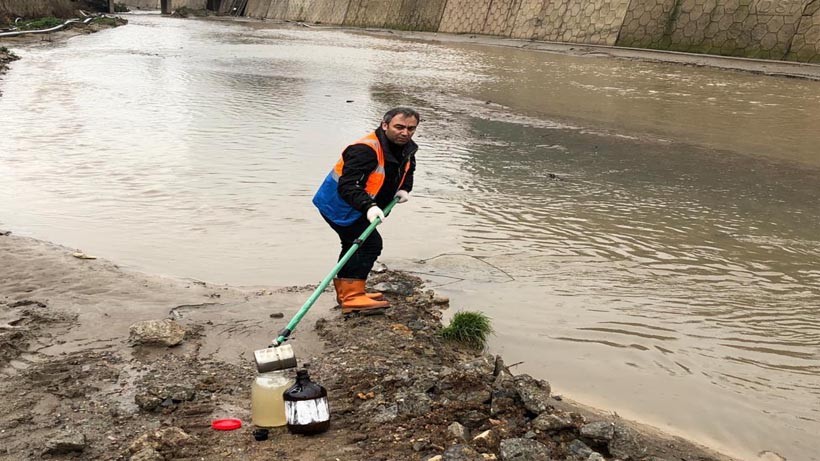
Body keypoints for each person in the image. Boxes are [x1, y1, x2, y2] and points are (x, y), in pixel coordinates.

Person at [312, 107, 420, 315]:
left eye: (410, 129)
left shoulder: (407, 148)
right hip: (342, 206)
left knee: (353, 245)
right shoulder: (365, 150)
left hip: (361, 206)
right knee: (370, 245)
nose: (405, 133)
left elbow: (408, 169)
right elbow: (348, 185)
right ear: (385, 125)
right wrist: (368, 206)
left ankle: (350, 293)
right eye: (399, 127)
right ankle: (352, 297)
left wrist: (405, 188)